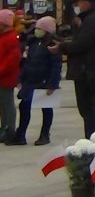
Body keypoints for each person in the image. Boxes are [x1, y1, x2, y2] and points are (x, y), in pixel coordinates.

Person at [50, 0, 95, 138]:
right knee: (89, 109)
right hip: (89, 69)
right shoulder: (93, 19)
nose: (77, 6)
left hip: (87, 71)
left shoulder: (92, 20)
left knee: (88, 109)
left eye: (79, 2)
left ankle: (93, 141)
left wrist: (62, 47)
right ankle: (94, 139)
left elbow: (82, 44)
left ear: (87, 3)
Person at [7, 16, 61, 145]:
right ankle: (21, 135)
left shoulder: (53, 44)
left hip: (44, 82)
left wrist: (52, 84)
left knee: (46, 108)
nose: (36, 30)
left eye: (39, 28)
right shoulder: (33, 43)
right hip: (30, 81)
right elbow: (26, 63)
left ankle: (44, 134)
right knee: (24, 106)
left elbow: (56, 66)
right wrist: (21, 78)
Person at [0, 9, 22, 143]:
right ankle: (5, 127)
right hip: (3, 76)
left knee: (7, 104)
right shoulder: (4, 36)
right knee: (3, 104)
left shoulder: (10, 38)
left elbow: (12, 60)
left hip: (6, 77)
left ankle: (9, 129)